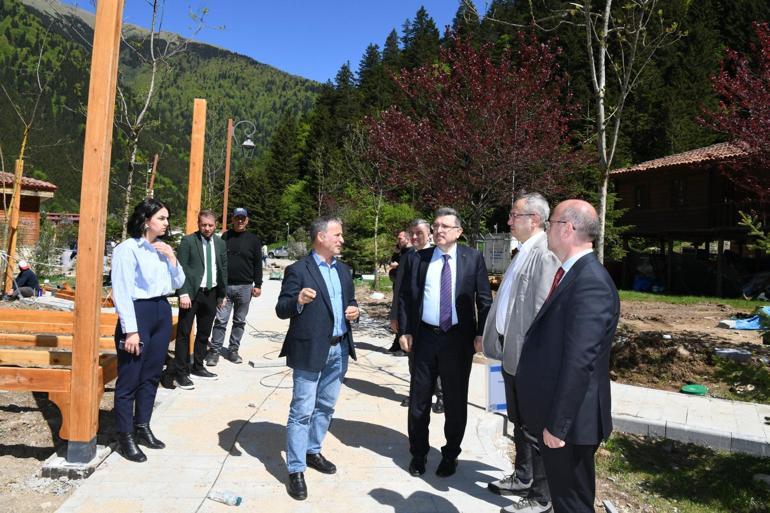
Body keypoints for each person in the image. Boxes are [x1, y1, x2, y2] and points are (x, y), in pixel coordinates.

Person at [516, 199, 619, 513]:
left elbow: (580, 361)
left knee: (572, 503)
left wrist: (558, 426)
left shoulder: (590, 283)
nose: (546, 231)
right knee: (566, 501)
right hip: (562, 417)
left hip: (571, 424)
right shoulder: (571, 274)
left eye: (551, 224)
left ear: (568, 229)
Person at [480, 193, 561, 511]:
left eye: (515, 215)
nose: (510, 220)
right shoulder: (523, 252)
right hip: (512, 355)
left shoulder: (544, 253)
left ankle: (542, 497)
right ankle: (523, 476)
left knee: (533, 429)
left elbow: (542, 311)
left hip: (529, 359)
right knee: (518, 422)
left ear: (535, 220)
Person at [398, 207, 492, 478]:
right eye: (436, 226)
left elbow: (484, 300)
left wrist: (481, 333)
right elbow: (406, 297)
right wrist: (405, 330)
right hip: (424, 338)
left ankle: (451, 454)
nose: (438, 231)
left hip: (458, 340)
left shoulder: (472, 259)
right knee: (419, 400)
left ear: (458, 232)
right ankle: (418, 453)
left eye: (445, 227)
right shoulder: (420, 259)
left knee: (455, 401)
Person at [275, 216, 359, 501]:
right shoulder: (298, 270)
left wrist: (354, 311)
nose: (342, 240)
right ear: (321, 237)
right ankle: (296, 469)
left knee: (325, 406)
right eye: (337, 235)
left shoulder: (344, 271)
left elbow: (351, 302)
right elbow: (281, 308)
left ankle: (313, 451)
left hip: (339, 349)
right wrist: (297, 300)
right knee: (302, 410)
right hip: (309, 350)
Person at [111, 198, 185, 462]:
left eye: (167, 218)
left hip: (162, 311)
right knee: (129, 377)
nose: (166, 223)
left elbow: (178, 282)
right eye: (161, 218)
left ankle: (143, 426)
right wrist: (130, 330)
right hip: (138, 313)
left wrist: (172, 257)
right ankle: (125, 435)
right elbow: (121, 290)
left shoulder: (161, 249)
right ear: (146, 220)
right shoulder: (127, 249)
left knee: (152, 374)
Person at [391, 218, 445, 412]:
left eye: (419, 233)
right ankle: (417, 393)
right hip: (412, 320)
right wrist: (395, 315)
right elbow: (400, 289)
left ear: (429, 233)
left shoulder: (438, 255)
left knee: (437, 362)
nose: (414, 237)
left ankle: (441, 396)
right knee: (413, 359)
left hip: (434, 320)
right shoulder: (408, 255)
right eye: (411, 233)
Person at [171, 210, 228, 390]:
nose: (207, 228)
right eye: (204, 225)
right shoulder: (188, 241)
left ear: (215, 225)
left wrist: (221, 294)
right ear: (198, 224)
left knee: (204, 333)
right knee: (184, 333)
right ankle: (181, 373)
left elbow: (223, 269)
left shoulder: (220, 243)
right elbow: (180, 268)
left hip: (210, 294)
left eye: (210, 225)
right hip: (191, 294)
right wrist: (183, 293)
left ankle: (198, 366)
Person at [208, 207, 263, 366]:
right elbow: (218, 261)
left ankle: (233, 350)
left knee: (239, 321)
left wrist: (258, 284)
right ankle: (215, 351)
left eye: (242, 218)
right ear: (232, 220)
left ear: (247, 220)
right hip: (226, 287)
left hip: (245, 287)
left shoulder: (254, 240)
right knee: (220, 320)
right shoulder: (225, 237)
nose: (240, 221)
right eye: (237, 218)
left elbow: (258, 264)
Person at [387, 230, 412, 354]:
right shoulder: (400, 252)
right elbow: (392, 263)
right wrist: (395, 253)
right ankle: (397, 343)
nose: (398, 241)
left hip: (406, 289)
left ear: (407, 239)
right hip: (397, 286)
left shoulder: (412, 252)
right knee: (397, 316)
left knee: (403, 316)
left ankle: (403, 346)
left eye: (400, 238)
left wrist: (398, 266)